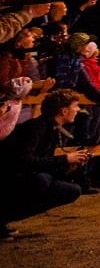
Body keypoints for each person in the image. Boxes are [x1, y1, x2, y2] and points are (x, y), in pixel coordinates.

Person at [0, 89, 90, 240]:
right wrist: (64, 159)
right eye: (76, 106)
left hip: (23, 176)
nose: (78, 110)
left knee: (72, 190)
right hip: (7, 178)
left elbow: (44, 164)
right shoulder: (35, 127)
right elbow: (24, 161)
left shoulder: (52, 129)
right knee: (41, 180)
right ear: (63, 111)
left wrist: (68, 168)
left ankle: (3, 219)